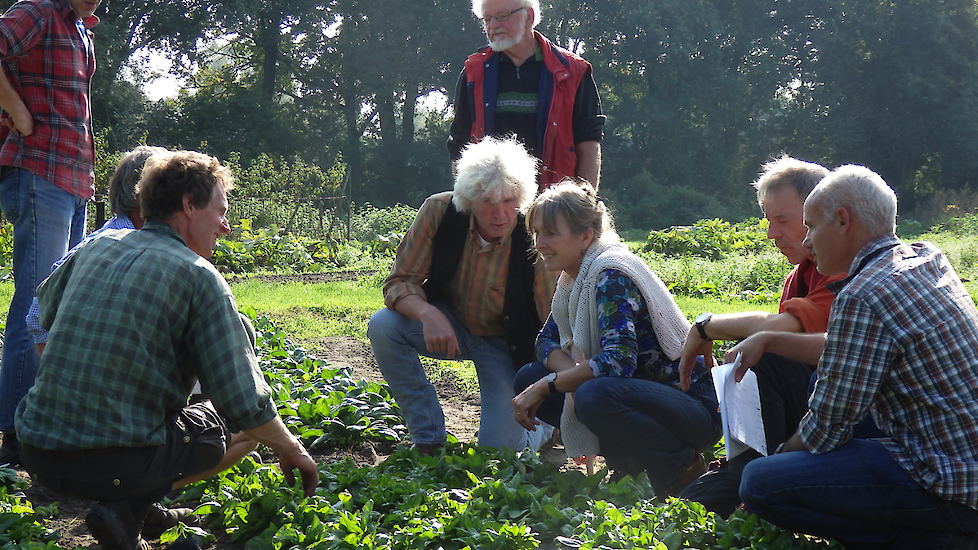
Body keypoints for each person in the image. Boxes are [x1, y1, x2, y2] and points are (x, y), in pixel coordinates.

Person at [16, 151, 319, 550]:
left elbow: (46, 311)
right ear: (189, 206)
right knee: (241, 427)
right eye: (220, 211)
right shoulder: (199, 276)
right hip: (111, 466)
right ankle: (129, 504)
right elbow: (245, 402)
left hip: (36, 450)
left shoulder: (96, 246)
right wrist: (291, 447)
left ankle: (139, 509)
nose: (225, 226)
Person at [738, 165, 978, 549]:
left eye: (812, 227)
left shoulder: (863, 294)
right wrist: (769, 339)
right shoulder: (926, 258)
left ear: (843, 221)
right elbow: (844, 351)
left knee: (761, 483)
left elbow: (827, 427)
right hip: (963, 456)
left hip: (949, 481)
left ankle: (937, 540)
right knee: (821, 380)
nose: (810, 243)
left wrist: (780, 457)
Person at [511, 181, 721, 496]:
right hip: (641, 397)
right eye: (536, 233)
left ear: (585, 236)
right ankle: (629, 463)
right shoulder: (573, 278)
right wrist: (564, 375)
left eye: (550, 233)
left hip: (692, 406)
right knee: (531, 377)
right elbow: (546, 341)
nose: (540, 243)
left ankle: (682, 469)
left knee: (592, 395)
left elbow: (618, 363)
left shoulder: (610, 276)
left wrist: (551, 384)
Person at [675, 156, 845, 514]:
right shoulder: (799, 276)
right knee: (690, 506)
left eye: (783, 220)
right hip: (813, 417)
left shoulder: (844, 266)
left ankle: (752, 477)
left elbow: (790, 332)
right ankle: (744, 471)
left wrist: (706, 326)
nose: (771, 234)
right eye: (769, 222)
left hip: (852, 427)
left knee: (765, 353)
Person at [368, 136, 557, 454]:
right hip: (450, 325)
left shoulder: (534, 235)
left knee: (498, 453)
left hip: (506, 345)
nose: (499, 214)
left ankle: (547, 426)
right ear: (469, 199)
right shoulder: (439, 212)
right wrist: (428, 313)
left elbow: (550, 319)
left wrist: (552, 382)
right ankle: (428, 437)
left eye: (509, 200)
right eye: (487, 202)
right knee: (383, 325)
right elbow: (400, 281)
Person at [0, 0, 100, 466]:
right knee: (37, 301)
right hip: (39, 171)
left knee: (62, 303)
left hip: (74, 179)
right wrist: (18, 112)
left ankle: (49, 417)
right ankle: (16, 429)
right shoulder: (38, 12)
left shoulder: (82, 27)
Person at [25, 146, 169, 359]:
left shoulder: (139, 239)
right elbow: (37, 315)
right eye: (170, 189)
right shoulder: (116, 245)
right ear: (144, 193)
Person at [447, 0, 605, 190]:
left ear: (529, 16)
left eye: (502, 17)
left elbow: (588, 142)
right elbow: (459, 143)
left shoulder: (574, 71)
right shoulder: (473, 71)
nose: (493, 26)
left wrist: (583, 201)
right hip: (493, 208)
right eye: (487, 20)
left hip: (553, 207)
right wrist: (468, 198)